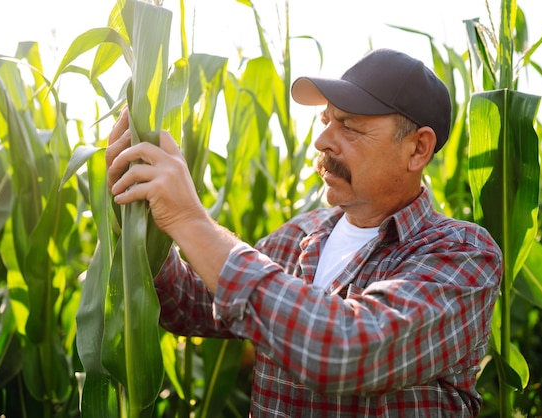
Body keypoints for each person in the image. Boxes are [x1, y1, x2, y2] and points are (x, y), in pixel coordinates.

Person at [106, 48, 502, 417]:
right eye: (326, 120)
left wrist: (191, 222)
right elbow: (191, 304)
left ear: (418, 149)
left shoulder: (463, 255)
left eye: (349, 127)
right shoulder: (300, 235)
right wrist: (139, 221)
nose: (321, 141)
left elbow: (346, 352)